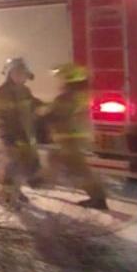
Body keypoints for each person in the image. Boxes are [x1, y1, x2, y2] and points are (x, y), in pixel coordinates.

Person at [31, 64, 108, 210]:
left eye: (62, 79)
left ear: (69, 80)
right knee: (54, 158)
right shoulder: (80, 95)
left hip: (70, 139)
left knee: (79, 170)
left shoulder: (67, 98)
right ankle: (42, 180)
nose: (60, 83)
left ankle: (98, 199)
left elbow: (51, 113)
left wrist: (37, 111)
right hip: (74, 139)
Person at [0, 57, 43, 209]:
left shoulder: (25, 91)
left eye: (23, 73)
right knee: (9, 167)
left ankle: (15, 192)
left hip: (22, 136)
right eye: (17, 72)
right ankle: (5, 199)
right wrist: (5, 139)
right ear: (9, 74)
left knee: (22, 165)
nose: (21, 76)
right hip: (5, 138)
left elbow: (34, 105)